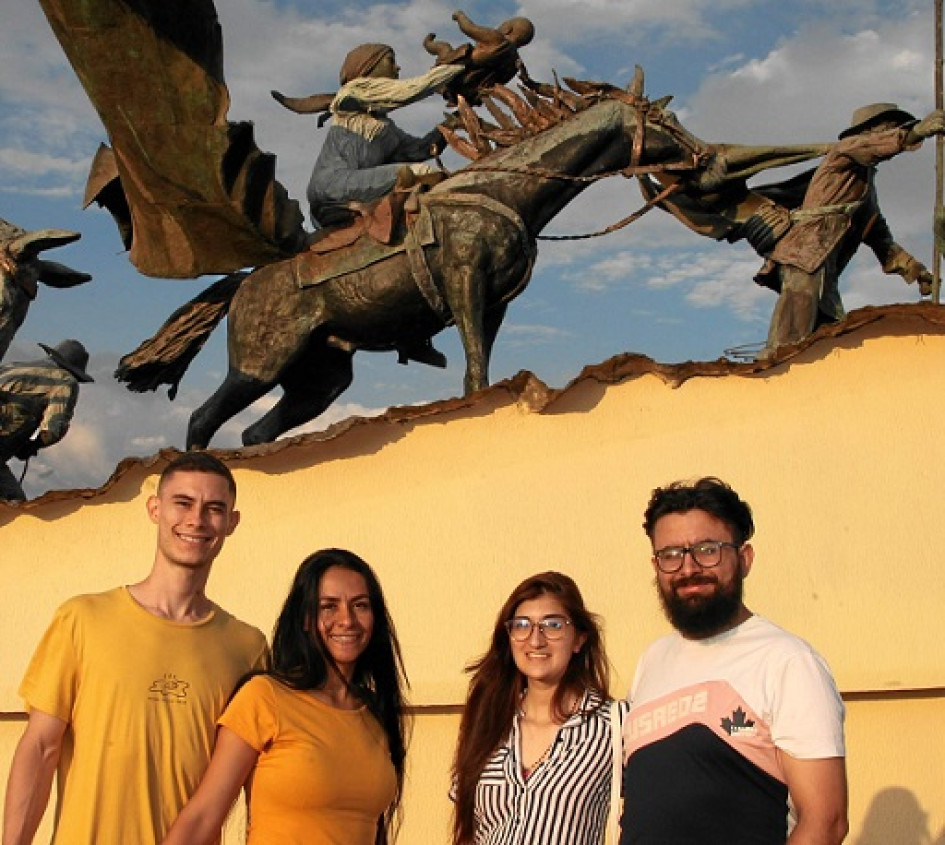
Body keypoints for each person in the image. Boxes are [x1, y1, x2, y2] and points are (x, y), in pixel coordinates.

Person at [2, 451, 269, 844]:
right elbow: (41, 747)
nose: (197, 520)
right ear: (154, 509)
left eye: (214, 509)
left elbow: (256, 783)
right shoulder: (82, 619)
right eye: (183, 503)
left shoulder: (247, 646)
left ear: (232, 522)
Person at [620, 477, 848, 844]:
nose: (689, 568)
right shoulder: (653, 660)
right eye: (671, 554)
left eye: (707, 550)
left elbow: (826, 821)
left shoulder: (787, 661)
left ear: (744, 559)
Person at [162, 548, 409, 845]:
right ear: (305, 619)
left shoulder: (376, 714)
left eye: (360, 606)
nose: (347, 620)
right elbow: (203, 816)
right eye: (329, 607)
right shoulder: (265, 697)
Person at [451, 571, 627, 845]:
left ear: (579, 638)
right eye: (522, 625)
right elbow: (469, 833)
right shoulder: (488, 720)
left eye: (553, 625)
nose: (535, 640)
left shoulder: (615, 723)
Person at [759, 103, 945, 357]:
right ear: (868, 131)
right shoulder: (844, 152)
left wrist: (915, 270)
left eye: (898, 129)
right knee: (793, 328)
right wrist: (916, 133)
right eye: (889, 128)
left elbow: (879, 237)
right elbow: (871, 147)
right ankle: (777, 366)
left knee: (828, 331)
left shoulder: (865, 185)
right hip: (804, 253)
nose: (893, 132)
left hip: (825, 263)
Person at [303, 43, 462, 228]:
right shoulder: (352, 92)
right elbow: (408, 91)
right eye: (390, 61)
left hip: (357, 182)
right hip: (333, 186)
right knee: (424, 173)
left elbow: (420, 150)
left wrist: (455, 121)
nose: (397, 67)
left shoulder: (386, 129)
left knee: (426, 173)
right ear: (368, 66)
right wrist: (458, 66)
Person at [0, 339, 93, 502]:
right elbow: (54, 429)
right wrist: (32, 446)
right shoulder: (64, 381)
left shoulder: (11, 367)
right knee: (15, 505)